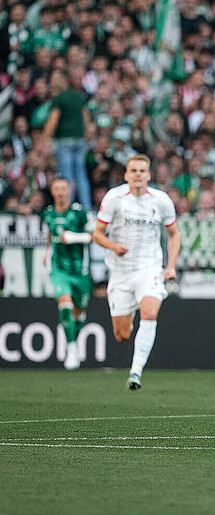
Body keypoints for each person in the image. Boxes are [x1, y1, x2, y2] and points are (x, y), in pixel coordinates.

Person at [91, 155, 180, 390]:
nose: (138, 174)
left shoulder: (161, 200)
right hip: (120, 272)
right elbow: (97, 234)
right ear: (126, 175)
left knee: (150, 313)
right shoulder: (115, 198)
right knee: (121, 335)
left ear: (149, 175)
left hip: (148, 268)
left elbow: (174, 234)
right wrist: (114, 246)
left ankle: (135, 372)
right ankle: (129, 312)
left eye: (143, 170)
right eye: (134, 170)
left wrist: (170, 265)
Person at [42, 178, 93, 370]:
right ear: (53, 191)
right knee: (65, 305)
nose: (61, 192)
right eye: (57, 189)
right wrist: (47, 253)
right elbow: (50, 235)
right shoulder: (48, 213)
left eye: (64, 188)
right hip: (59, 269)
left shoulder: (79, 213)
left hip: (80, 270)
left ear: (69, 190)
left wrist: (74, 238)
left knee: (78, 313)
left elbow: (95, 236)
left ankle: (73, 340)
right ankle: (71, 349)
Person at [43, 70, 92, 210]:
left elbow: (53, 120)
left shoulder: (59, 99)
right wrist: (86, 134)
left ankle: (66, 209)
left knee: (66, 176)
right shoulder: (78, 97)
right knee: (81, 175)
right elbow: (86, 117)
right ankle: (87, 208)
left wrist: (45, 139)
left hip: (63, 140)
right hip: (79, 140)